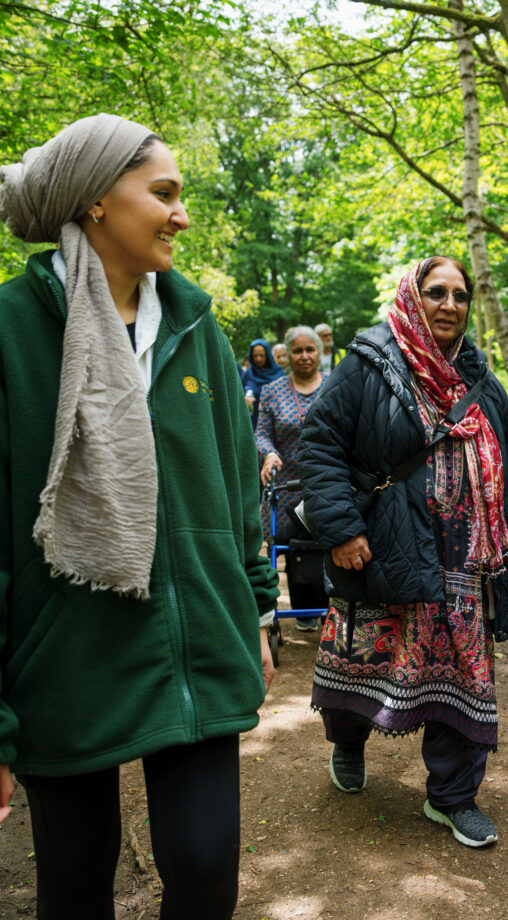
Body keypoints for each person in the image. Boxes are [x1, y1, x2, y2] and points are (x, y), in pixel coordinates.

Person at [0, 114, 278, 919]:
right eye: (164, 193)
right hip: (64, 661)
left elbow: (238, 491)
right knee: (76, 883)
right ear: (94, 200)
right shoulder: (11, 329)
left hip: (197, 649)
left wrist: (255, 612)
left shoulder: (196, 328)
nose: (181, 216)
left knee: (205, 870)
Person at [298, 257, 508, 848]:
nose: (449, 304)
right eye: (436, 292)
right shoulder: (368, 362)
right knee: (362, 658)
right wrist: (341, 529)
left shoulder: (483, 381)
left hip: (465, 562)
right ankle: (347, 742)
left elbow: (507, 470)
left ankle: (453, 796)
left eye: (460, 295)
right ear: (411, 296)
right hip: (381, 547)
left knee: (464, 673)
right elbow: (319, 444)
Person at [256, 325, 327, 631]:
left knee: (330, 543)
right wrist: (269, 453)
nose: (304, 356)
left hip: (327, 485)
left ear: (319, 352)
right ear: (287, 355)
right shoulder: (272, 391)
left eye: (310, 349)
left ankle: (331, 608)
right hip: (286, 488)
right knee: (293, 548)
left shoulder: (335, 385)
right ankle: (303, 610)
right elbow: (261, 434)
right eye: (297, 350)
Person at [242, 337, 284, 428]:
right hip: (252, 423)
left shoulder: (278, 373)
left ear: (267, 355)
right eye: (255, 356)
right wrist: (244, 401)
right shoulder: (247, 374)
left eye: (262, 355)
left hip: (275, 423)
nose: (258, 359)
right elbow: (239, 396)